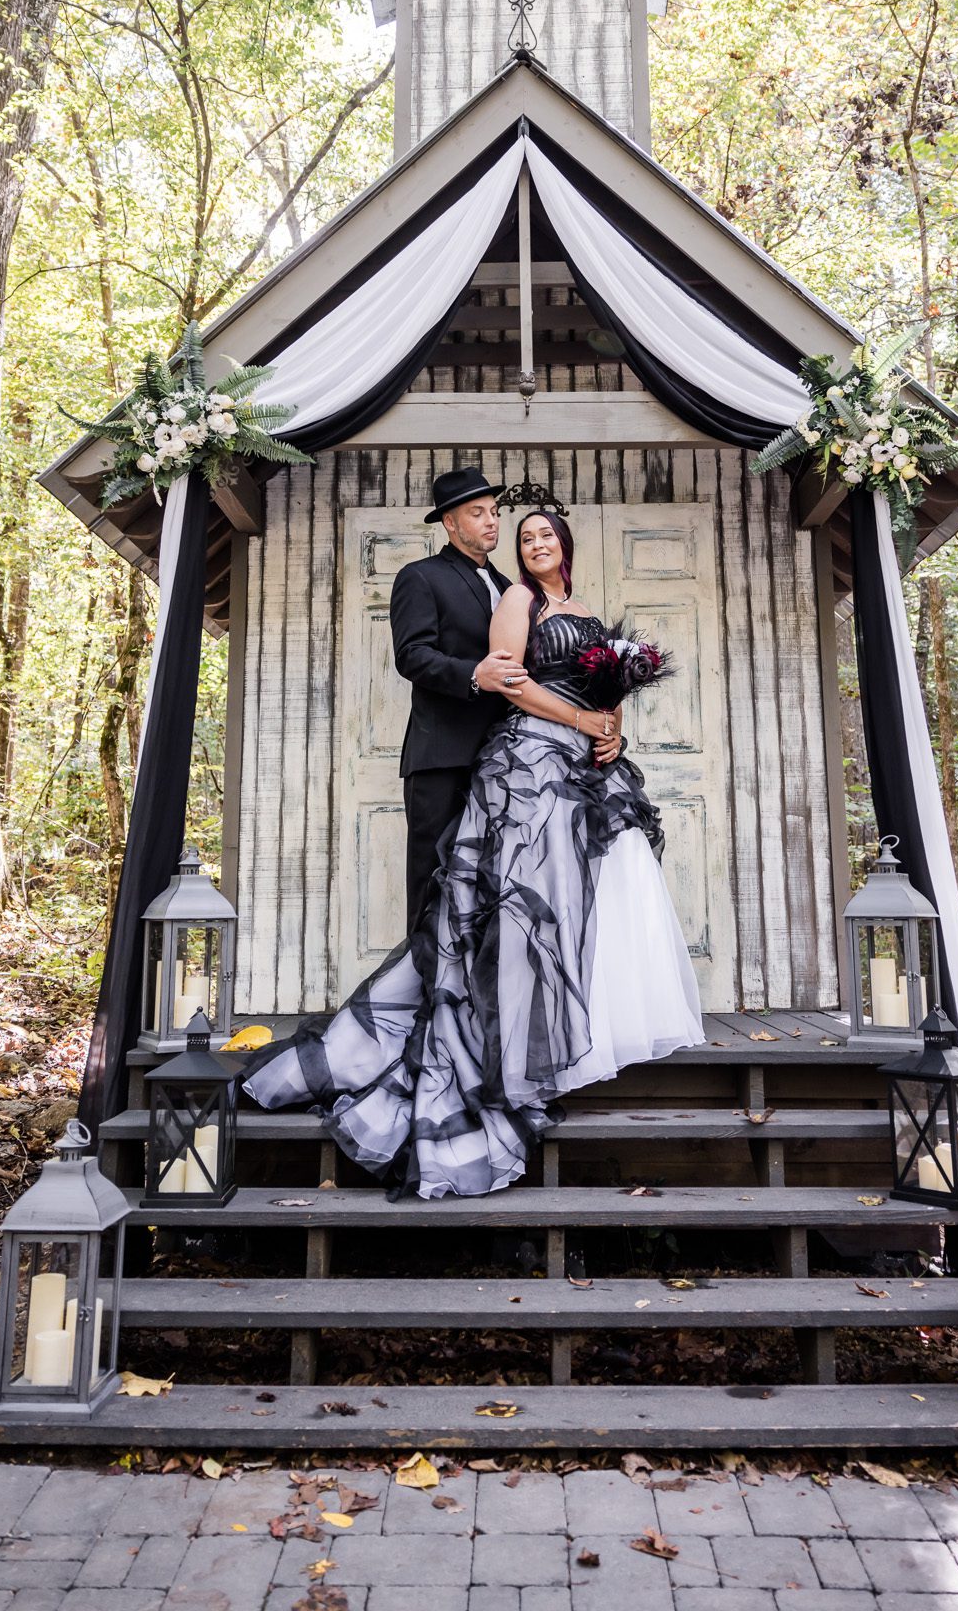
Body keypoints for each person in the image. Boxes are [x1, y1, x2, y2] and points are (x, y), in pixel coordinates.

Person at [245, 504, 705, 1199]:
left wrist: (611, 728)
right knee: (524, 908)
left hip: (587, 763)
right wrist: (581, 719)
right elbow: (512, 679)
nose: (536, 542)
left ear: (566, 543)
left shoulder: (582, 608)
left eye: (546, 533)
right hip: (529, 763)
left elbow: (594, 690)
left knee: (590, 891)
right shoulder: (516, 599)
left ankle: (590, 1030)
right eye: (525, 536)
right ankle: (512, 1053)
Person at [387, 467, 520, 932]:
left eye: (495, 512)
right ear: (450, 522)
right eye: (477, 512)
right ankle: (424, 997)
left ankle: (476, 997)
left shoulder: (510, 588)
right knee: (433, 880)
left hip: (502, 758)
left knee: (491, 881)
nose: (491, 521)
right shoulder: (419, 577)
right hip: (440, 758)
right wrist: (474, 675)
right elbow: (412, 656)